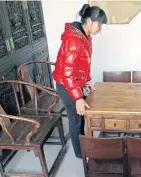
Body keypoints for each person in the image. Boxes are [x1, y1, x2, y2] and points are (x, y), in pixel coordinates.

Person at [53, 4, 107, 158]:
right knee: (75, 119)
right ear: (90, 21)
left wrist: (87, 80)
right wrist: (77, 98)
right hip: (66, 86)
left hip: (75, 84)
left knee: (83, 116)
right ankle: (80, 154)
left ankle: (85, 145)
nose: (100, 28)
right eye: (99, 24)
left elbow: (82, 64)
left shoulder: (85, 36)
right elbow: (67, 74)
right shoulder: (73, 41)